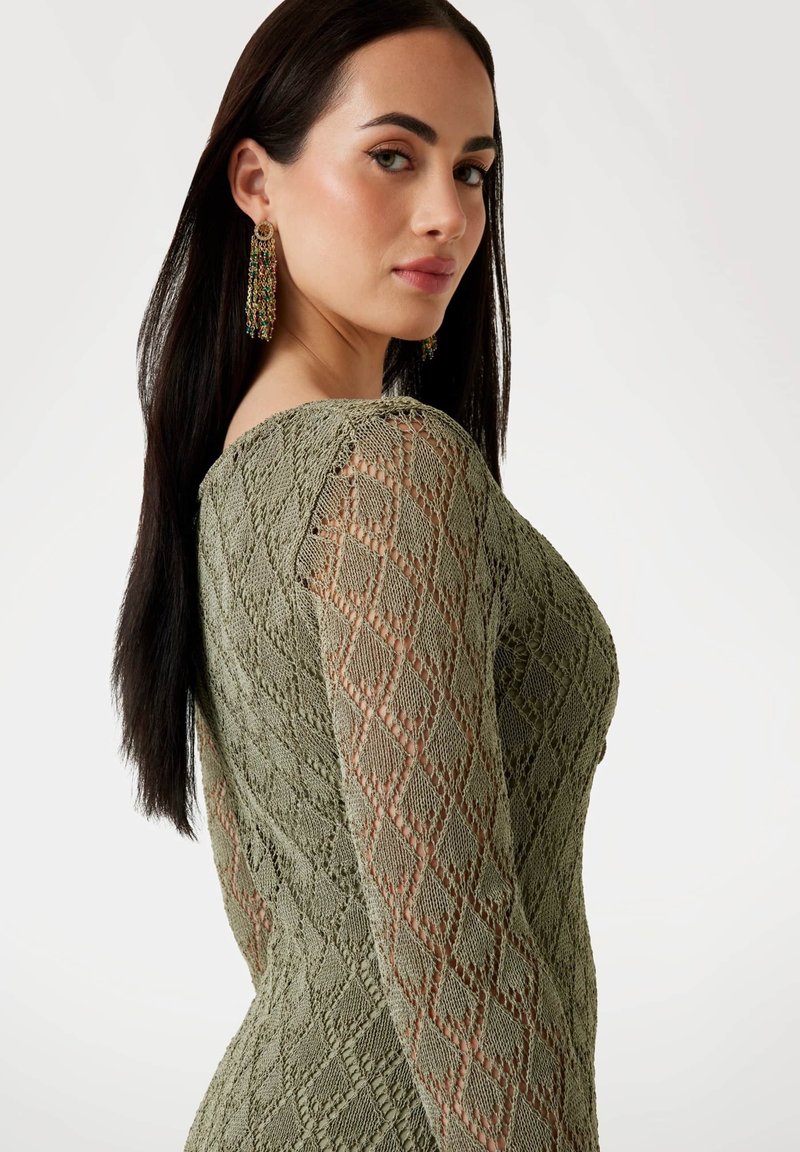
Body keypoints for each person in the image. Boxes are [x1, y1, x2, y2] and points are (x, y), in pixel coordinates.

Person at [110, 1, 620, 1149]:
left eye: (473, 170)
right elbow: (458, 952)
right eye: (392, 156)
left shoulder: (236, 478)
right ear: (256, 181)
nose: (448, 213)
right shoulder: (387, 469)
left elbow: (274, 917)